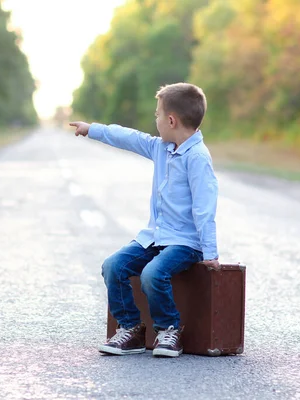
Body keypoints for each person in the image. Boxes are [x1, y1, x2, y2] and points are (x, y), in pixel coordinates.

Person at [69, 82, 219, 358]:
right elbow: (128, 137)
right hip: (155, 236)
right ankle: (132, 330)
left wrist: (209, 252)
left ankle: (169, 329)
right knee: (114, 265)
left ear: (171, 120)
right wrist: (92, 129)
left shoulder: (197, 158)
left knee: (152, 273)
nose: (156, 120)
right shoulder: (161, 148)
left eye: (158, 115)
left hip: (185, 243)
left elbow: (204, 208)